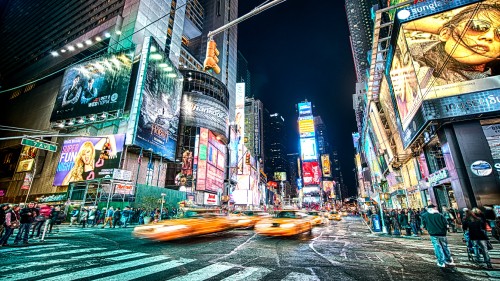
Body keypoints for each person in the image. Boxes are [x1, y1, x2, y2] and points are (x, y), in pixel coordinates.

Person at [404, 2, 500, 88]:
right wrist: (448, 30)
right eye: (477, 26)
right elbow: (400, 18)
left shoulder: (491, 85)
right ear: (445, 33)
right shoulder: (409, 57)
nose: (489, 36)